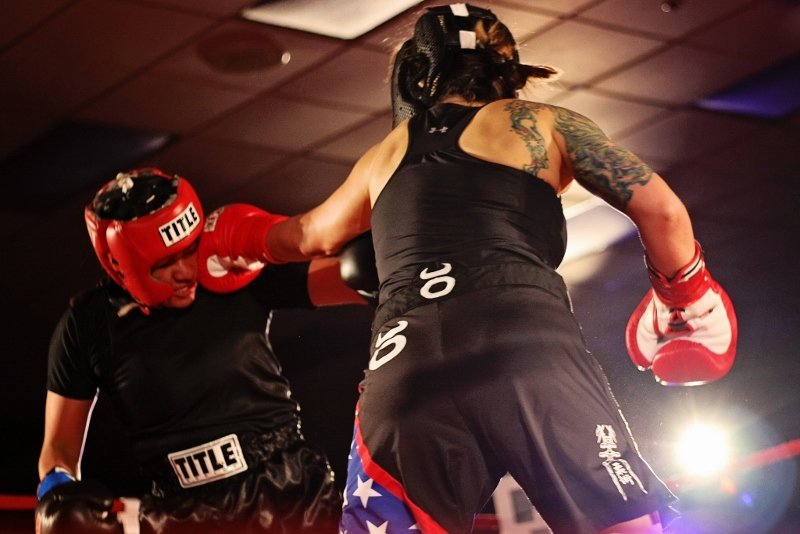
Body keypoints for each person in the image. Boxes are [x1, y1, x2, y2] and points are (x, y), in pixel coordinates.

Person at [192, 4, 738, 533]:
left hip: (403, 365)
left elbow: (309, 236)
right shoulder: (539, 122)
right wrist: (683, 296)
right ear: (510, 71)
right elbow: (662, 210)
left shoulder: (383, 155)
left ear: (416, 75)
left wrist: (234, 240)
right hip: (523, 345)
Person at [36, 167, 372, 534]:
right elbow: (59, 448)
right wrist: (57, 495)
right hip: (179, 513)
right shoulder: (88, 324)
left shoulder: (228, 266)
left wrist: (382, 259)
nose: (185, 271)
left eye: (189, 251)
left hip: (289, 493)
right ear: (120, 265)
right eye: (165, 263)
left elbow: (353, 278)